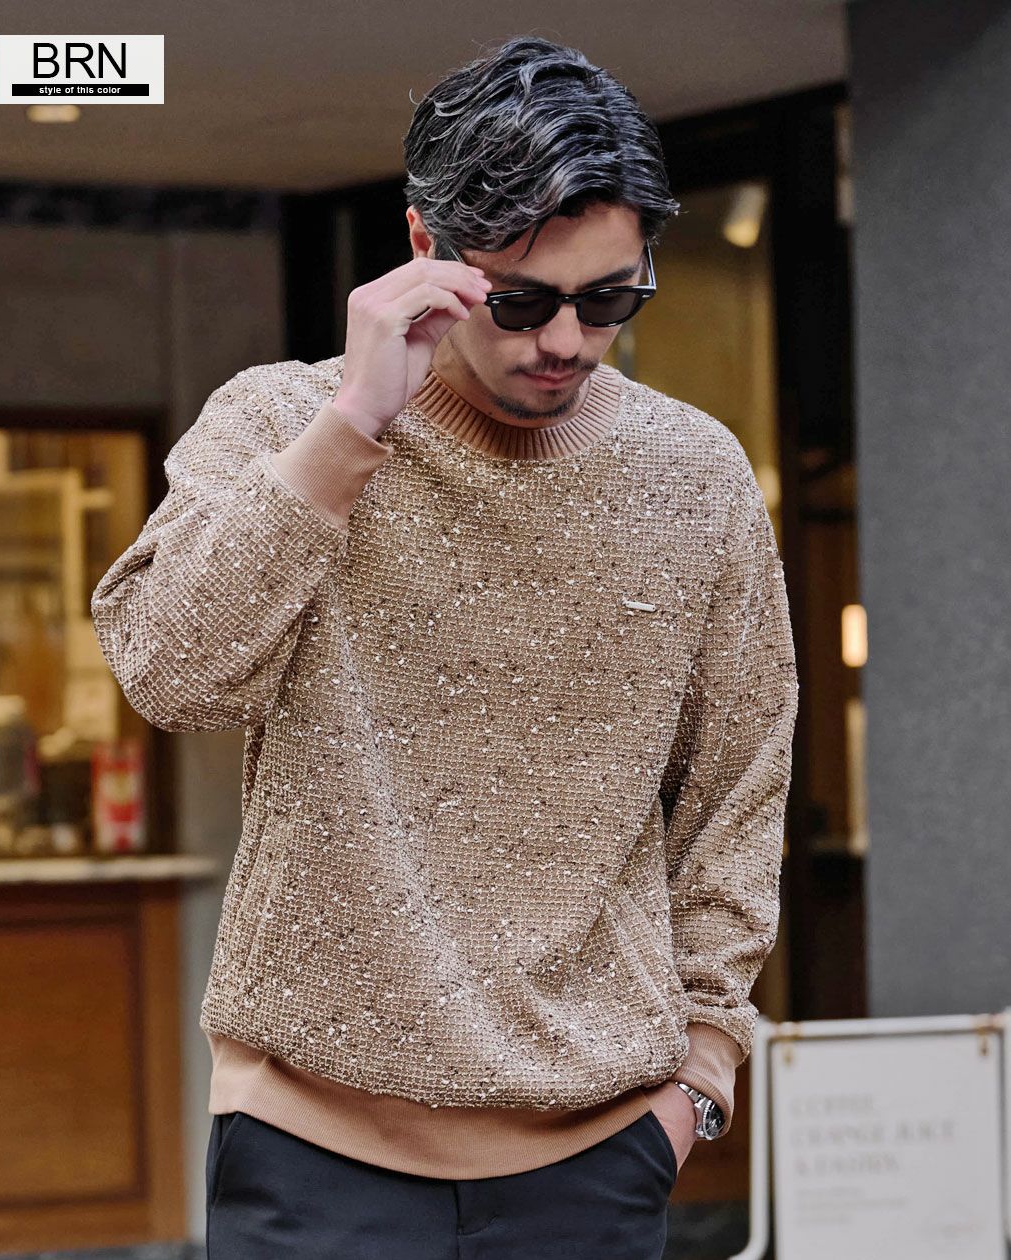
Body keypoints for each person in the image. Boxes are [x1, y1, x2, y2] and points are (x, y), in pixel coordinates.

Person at [92, 33, 798, 1260]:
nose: (565, 340)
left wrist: (698, 1077)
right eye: (520, 300)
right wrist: (353, 425)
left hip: (600, 1152)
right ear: (426, 246)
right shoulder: (277, 421)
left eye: (608, 300)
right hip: (312, 1150)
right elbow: (170, 673)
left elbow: (740, 788)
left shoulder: (696, 476)